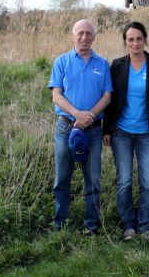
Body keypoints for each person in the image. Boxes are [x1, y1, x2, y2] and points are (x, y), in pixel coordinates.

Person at [103, 22, 149, 241]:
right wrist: (107, 129)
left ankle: (145, 227)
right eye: (130, 39)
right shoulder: (118, 65)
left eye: (139, 38)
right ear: (125, 42)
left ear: (145, 40)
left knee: (148, 182)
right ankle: (129, 226)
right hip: (121, 132)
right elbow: (111, 101)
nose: (135, 43)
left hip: (147, 134)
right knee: (124, 181)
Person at [48, 19, 112, 234]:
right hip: (66, 127)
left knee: (93, 181)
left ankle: (92, 225)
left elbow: (107, 96)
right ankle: (60, 224)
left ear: (94, 36)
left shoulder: (102, 64)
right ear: (73, 35)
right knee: (62, 178)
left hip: (93, 130)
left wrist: (90, 116)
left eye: (88, 33)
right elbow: (56, 95)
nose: (84, 37)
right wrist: (77, 115)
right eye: (80, 33)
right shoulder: (62, 61)